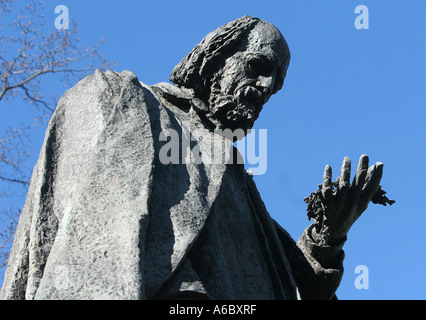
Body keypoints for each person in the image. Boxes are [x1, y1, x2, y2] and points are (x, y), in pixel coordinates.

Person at [0, 16, 390, 300]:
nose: (266, 88)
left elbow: (290, 283)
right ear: (214, 60)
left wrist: (328, 236)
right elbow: (92, 243)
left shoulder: (239, 186)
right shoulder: (128, 101)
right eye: (258, 67)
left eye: (276, 85)